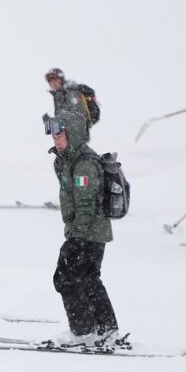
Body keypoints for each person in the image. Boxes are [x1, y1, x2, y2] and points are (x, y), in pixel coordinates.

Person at [45, 109, 118, 343]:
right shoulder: (71, 159)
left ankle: (83, 331)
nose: (55, 139)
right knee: (88, 279)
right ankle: (105, 329)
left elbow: (86, 205)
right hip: (90, 233)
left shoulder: (85, 164)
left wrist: (75, 238)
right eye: (53, 135)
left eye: (59, 134)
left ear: (73, 133)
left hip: (87, 233)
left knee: (66, 277)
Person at [45, 68, 99, 139]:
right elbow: (61, 124)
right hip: (66, 140)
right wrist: (50, 125)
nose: (53, 84)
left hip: (77, 139)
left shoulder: (71, 94)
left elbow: (79, 120)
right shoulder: (58, 98)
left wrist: (51, 124)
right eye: (50, 82)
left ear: (61, 80)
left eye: (55, 80)